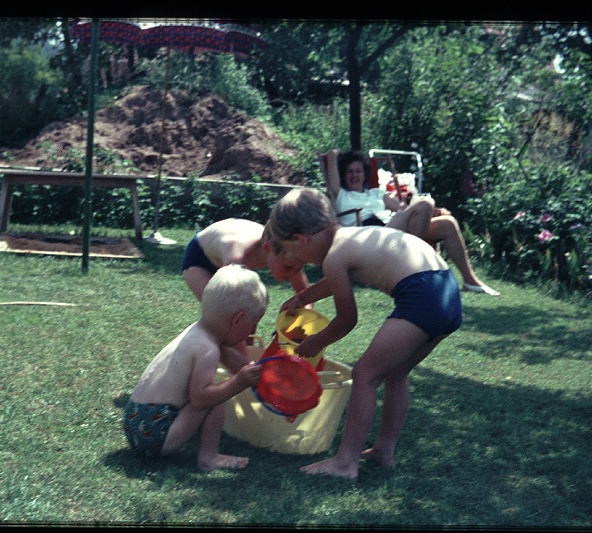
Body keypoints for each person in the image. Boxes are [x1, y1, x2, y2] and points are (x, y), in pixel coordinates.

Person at [267, 188, 463, 479]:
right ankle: (384, 451)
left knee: (364, 374)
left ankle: (345, 463)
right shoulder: (354, 236)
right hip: (446, 291)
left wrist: (316, 342)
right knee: (396, 374)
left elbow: (348, 320)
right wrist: (304, 296)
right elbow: (338, 279)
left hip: (422, 296)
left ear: (301, 239)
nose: (299, 261)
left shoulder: (334, 257)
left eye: (293, 253)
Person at [124, 264, 267, 471]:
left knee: (214, 391)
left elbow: (232, 360)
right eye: (253, 325)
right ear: (237, 320)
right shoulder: (208, 349)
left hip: (135, 421)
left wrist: (256, 372)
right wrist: (239, 382)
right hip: (156, 434)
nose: (252, 332)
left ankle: (207, 456)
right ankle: (209, 459)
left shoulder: (197, 333)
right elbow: (200, 399)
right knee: (216, 397)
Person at [328, 149, 499, 296]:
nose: (354, 175)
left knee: (447, 222)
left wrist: (434, 212)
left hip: (390, 232)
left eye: (358, 171)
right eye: (349, 171)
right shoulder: (341, 195)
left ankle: (470, 281)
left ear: (365, 173)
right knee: (425, 202)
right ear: (343, 175)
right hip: (369, 239)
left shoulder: (376, 194)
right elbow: (331, 157)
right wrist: (333, 155)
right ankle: (412, 269)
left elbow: (404, 209)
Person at [181, 218, 312, 372]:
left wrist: (303, 322)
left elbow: (305, 295)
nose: (293, 273)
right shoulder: (238, 257)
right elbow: (232, 315)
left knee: (252, 309)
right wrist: (248, 367)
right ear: (268, 248)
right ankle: (232, 370)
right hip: (200, 259)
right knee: (223, 323)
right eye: (289, 267)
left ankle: (245, 362)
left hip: (225, 245)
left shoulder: (286, 252)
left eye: (299, 268)